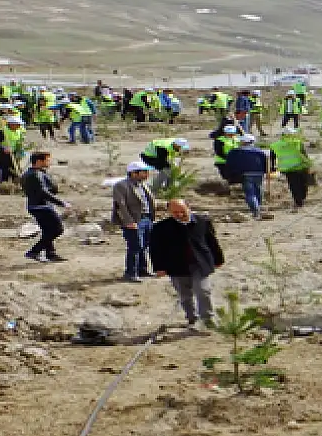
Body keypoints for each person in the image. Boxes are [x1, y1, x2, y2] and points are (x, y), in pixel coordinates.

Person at [149, 199, 225, 331]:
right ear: (169, 212)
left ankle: (207, 319)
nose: (179, 215)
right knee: (185, 295)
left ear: (188, 207)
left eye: (182, 211)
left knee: (203, 290)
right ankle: (192, 318)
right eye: (175, 212)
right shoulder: (160, 228)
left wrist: (218, 259)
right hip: (176, 265)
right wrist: (159, 267)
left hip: (199, 263)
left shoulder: (203, 221)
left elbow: (211, 241)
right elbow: (156, 249)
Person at [21, 152, 70, 263]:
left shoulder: (30, 173)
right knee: (57, 229)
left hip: (35, 206)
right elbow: (43, 192)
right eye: (46, 160)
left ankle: (50, 253)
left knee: (47, 231)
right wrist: (62, 203)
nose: (48, 163)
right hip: (42, 206)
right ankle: (34, 251)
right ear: (39, 161)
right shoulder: (35, 175)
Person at [112, 161, 156, 282]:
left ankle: (142, 269)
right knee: (134, 246)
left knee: (144, 245)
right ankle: (131, 273)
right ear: (134, 173)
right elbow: (120, 205)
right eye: (144, 172)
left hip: (146, 218)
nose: (147, 174)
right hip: (134, 220)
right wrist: (128, 221)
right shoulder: (121, 185)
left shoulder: (143, 185)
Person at [225, 134, 269, 219]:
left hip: (246, 174)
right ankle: (259, 207)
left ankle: (256, 210)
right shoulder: (259, 151)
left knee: (250, 193)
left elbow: (230, 164)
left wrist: (230, 174)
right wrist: (266, 172)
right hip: (259, 173)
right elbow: (266, 162)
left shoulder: (236, 152)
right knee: (258, 190)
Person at [269, 127, 312, 211]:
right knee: (303, 184)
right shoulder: (298, 143)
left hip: (288, 168)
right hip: (301, 167)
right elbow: (304, 154)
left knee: (293, 185)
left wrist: (272, 167)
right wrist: (309, 164)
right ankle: (301, 199)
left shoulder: (275, 145)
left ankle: (298, 201)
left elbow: (272, 158)